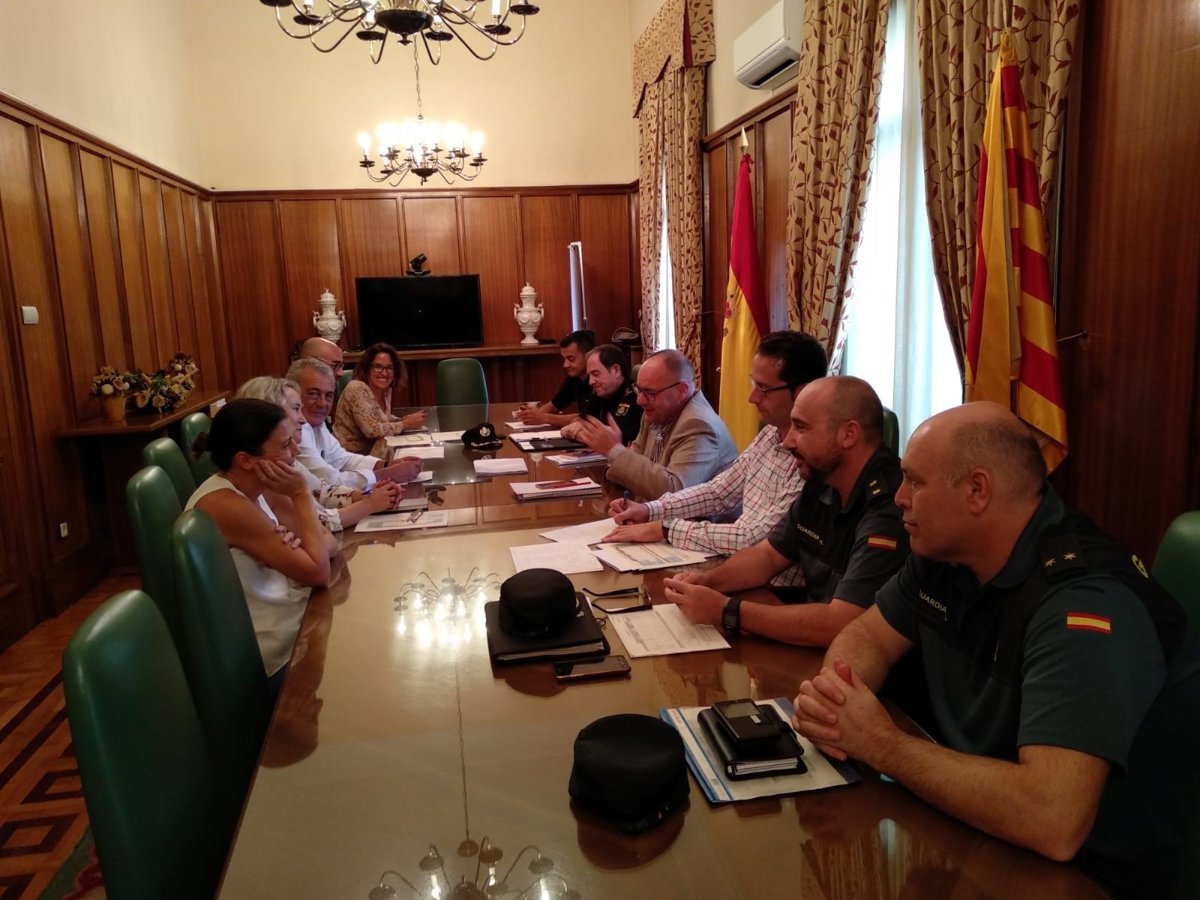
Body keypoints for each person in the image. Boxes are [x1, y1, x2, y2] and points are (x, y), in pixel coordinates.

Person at [791, 402, 1200, 899]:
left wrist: (879, 743)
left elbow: (1053, 819)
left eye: (915, 481)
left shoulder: (1083, 602)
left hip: (1082, 877)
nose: (899, 498)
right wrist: (838, 701)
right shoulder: (945, 552)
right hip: (974, 828)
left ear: (977, 491)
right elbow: (869, 635)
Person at [662, 376, 908, 648]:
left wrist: (726, 611)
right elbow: (768, 555)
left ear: (848, 435)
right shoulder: (823, 479)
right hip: (812, 645)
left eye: (800, 428)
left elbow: (842, 623)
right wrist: (709, 581)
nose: (788, 441)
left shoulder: (891, 506)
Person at [603, 331, 828, 586]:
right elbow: (719, 491)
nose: (752, 398)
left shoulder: (814, 457)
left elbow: (755, 538)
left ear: (803, 391)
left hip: (774, 589)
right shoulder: (770, 434)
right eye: (754, 385)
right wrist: (649, 510)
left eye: (763, 389)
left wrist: (664, 528)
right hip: (740, 570)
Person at [186, 398, 336, 696]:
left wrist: (306, 546)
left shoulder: (261, 487)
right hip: (272, 653)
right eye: (285, 445)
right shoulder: (225, 505)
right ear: (246, 460)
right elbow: (319, 572)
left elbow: (327, 541)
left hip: (294, 620)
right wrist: (301, 495)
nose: (296, 451)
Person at [235, 376, 403, 532]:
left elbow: (322, 491)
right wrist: (369, 504)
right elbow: (317, 526)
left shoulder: (286, 457)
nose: (303, 419)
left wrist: (369, 495)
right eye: (296, 409)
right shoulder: (265, 474)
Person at [593, 349, 737, 502]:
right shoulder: (655, 413)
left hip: (701, 517)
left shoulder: (699, 425)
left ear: (682, 391)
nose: (640, 400)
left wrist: (614, 451)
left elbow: (675, 492)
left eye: (650, 393)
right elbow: (634, 467)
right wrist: (613, 456)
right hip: (653, 513)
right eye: (639, 390)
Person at [287, 358, 420, 489]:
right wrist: (388, 474)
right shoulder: (294, 429)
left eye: (328, 395)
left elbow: (343, 459)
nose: (322, 403)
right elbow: (329, 481)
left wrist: (386, 465)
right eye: (313, 394)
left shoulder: (316, 422)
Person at [331, 342, 427, 457]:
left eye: (389, 368)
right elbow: (372, 430)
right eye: (378, 367)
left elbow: (380, 417)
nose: (384, 373)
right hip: (349, 457)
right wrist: (405, 424)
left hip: (374, 452)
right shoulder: (357, 388)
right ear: (367, 368)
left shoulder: (386, 390)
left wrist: (401, 419)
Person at [560, 343, 643, 446]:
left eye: (596, 374)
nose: (591, 382)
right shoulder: (603, 393)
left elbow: (611, 437)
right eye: (589, 375)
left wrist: (579, 430)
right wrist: (578, 424)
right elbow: (580, 419)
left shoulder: (635, 398)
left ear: (616, 370)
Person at [515, 329, 595, 426]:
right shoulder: (574, 378)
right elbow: (553, 406)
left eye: (571, 359)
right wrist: (533, 414)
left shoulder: (599, 380)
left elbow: (589, 418)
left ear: (588, 355)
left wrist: (544, 418)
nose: (565, 365)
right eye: (564, 359)